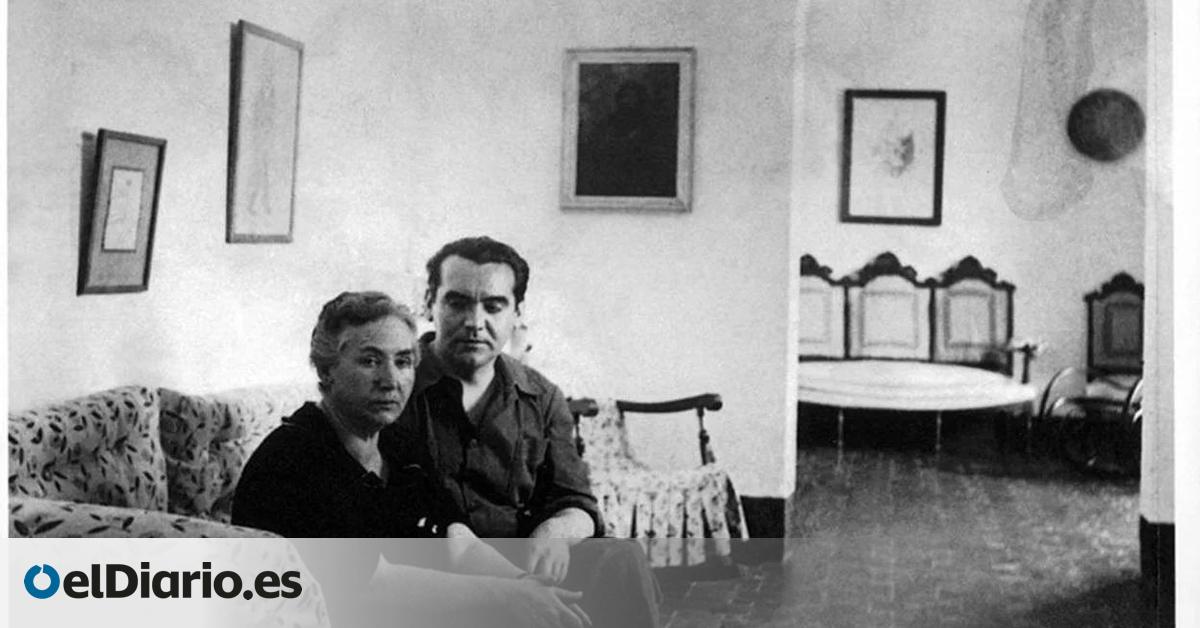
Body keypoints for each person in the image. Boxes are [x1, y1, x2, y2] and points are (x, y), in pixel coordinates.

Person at [233, 291, 592, 628]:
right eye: (370, 361)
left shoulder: (395, 444)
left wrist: (528, 586)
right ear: (327, 370)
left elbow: (457, 540)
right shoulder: (294, 457)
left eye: (403, 362)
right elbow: (373, 583)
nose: (391, 380)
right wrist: (512, 596)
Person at [392, 236, 660, 628]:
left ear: (517, 312)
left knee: (622, 558)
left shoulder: (542, 397)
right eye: (458, 302)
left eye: (493, 306)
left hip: (523, 560)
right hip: (432, 566)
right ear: (429, 302)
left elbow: (576, 501)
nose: (475, 322)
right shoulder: (394, 385)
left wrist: (555, 531)